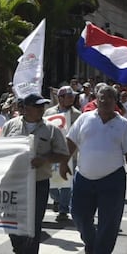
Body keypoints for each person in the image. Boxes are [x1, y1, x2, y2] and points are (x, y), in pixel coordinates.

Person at [60, 85, 127, 254]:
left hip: (112, 179)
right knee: (78, 214)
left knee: (109, 220)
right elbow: (71, 141)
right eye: (101, 98)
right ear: (96, 100)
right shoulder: (85, 118)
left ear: (115, 102)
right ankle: (90, 240)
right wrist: (64, 163)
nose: (104, 102)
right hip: (84, 177)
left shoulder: (123, 125)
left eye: (109, 99)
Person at [0, 93, 69, 254]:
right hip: (14, 182)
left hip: (38, 183)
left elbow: (63, 154)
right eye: (36, 106)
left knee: (34, 224)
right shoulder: (10, 126)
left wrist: (45, 159)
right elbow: (0, 151)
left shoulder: (51, 130)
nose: (41, 109)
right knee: (10, 221)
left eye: (42, 106)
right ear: (25, 109)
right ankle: (19, 249)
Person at [44, 85, 81, 221]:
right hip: (52, 152)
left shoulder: (77, 115)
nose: (72, 99)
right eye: (69, 96)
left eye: (73, 96)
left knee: (66, 181)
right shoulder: (49, 113)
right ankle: (58, 199)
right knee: (50, 181)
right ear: (60, 98)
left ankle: (64, 209)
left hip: (70, 154)